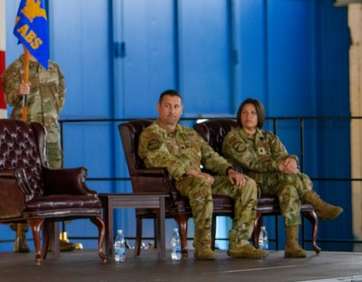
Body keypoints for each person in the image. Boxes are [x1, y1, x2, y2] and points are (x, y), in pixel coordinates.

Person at [138, 90, 268, 260]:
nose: (172, 111)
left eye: (176, 106)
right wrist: (193, 172)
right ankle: (202, 245)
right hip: (173, 181)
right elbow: (162, 159)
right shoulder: (151, 134)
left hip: (198, 179)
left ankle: (239, 243)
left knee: (247, 183)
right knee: (200, 183)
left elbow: (210, 156)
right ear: (158, 107)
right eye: (167, 106)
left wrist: (230, 170)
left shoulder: (189, 134)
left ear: (181, 109)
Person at [222, 98, 343, 258]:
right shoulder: (233, 138)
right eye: (244, 112)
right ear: (239, 116)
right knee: (296, 179)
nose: (248, 116)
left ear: (259, 116)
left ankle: (292, 244)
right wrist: (279, 166)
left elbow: (282, 155)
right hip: (250, 180)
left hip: (274, 180)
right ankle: (318, 205)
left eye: (252, 112)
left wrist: (291, 161)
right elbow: (252, 162)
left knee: (290, 189)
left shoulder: (268, 137)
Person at [0, 55, 79, 252]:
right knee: (25, 183)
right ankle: (21, 234)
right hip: (26, 134)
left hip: (50, 134)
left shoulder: (53, 67)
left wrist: (50, 117)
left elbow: (61, 96)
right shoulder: (17, 68)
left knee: (55, 180)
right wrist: (19, 92)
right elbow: (8, 98)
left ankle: (54, 235)